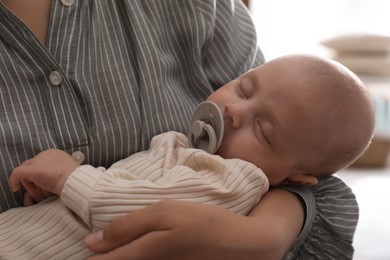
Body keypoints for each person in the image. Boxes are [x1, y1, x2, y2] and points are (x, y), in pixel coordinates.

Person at [0, 0, 368, 259]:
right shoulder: (187, 149)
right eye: (242, 87)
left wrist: (69, 180)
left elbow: (137, 212)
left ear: (297, 176)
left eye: (264, 132)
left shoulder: (231, 180)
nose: (235, 112)